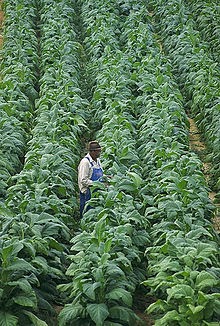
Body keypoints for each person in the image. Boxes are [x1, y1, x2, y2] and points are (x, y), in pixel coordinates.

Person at [78, 141, 103, 218]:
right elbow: (83, 181)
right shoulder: (85, 162)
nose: (99, 153)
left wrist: (106, 177)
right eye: (98, 151)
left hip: (96, 192)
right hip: (87, 194)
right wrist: (98, 184)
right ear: (92, 151)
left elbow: (100, 174)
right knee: (87, 216)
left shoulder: (97, 160)